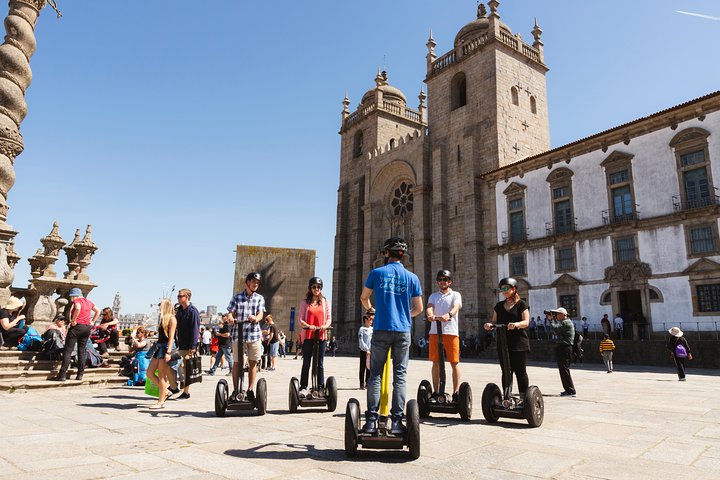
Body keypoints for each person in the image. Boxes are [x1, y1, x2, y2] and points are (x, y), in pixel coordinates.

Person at [360, 237, 423, 435]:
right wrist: (405, 315)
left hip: (381, 329)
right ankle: (396, 422)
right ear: (403, 255)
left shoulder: (376, 273)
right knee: (400, 376)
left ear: (387, 253)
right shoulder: (412, 277)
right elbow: (419, 308)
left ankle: (371, 421)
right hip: (403, 330)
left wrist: (372, 310)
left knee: (375, 375)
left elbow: (364, 298)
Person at [484, 277, 530, 401]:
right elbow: (494, 321)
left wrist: (516, 325)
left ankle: (523, 398)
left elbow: (526, 321)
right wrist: (489, 325)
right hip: (503, 344)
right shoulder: (499, 306)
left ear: (514, 289)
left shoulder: (522, 304)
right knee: (506, 371)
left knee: (520, 371)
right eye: (501, 289)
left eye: (506, 288)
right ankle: (507, 397)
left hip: (519, 343)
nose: (503, 291)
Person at [227, 272, 266, 402]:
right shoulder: (237, 297)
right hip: (238, 334)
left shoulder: (259, 298)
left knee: (252, 363)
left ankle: (250, 390)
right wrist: (231, 318)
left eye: (257, 283)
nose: (255, 284)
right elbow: (230, 313)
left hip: (254, 334)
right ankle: (236, 390)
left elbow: (261, 314)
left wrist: (256, 318)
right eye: (253, 282)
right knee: (237, 363)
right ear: (247, 282)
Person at [426, 269, 463, 401]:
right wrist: (430, 314)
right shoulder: (433, 296)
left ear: (450, 282)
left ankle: (456, 392)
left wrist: (449, 315)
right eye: (440, 279)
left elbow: (456, 306)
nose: (442, 282)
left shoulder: (456, 295)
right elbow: (429, 306)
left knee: (454, 362)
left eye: (445, 280)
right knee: (435, 362)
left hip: (451, 332)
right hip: (435, 332)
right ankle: (436, 392)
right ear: (438, 282)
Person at [51, 288, 100, 381]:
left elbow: (77, 308)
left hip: (77, 327)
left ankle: (62, 375)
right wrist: (92, 321)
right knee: (82, 351)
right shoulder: (88, 301)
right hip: (87, 328)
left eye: (70, 297)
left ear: (74, 295)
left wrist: (74, 320)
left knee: (68, 350)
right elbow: (98, 310)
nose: (70, 299)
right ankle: (80, 374)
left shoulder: (77, 300)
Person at [298, 277, 331, 396]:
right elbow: (300, 319)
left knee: (320, 363)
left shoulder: (325, 302)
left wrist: (325, 326)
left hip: (321, 335)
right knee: (306, 361)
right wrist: (308, 325)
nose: (316, 289)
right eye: (314, 287)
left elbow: (329, 318)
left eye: (318, 287)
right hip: (308, 335)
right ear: (310, 288)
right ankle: (303, 387)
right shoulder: (304, 302)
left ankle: (320, 387)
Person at [146, 299, 177, 409]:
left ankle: (161, 402)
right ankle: (166, 391)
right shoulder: (163, 318)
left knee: (162, 376)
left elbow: (172, 337)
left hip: (165, 349)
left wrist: (168, 352)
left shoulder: (172, 319)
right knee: (149, 373)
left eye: (161, 305)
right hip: (159, 347)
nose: (159, 307)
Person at [174, 288, 200, 399]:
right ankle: (176, 387)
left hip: (188, 345)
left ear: (187, 297)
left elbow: (195, 329)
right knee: (178, 366)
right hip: (180, 343)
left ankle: (186, 392)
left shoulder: (193, 311)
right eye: (178, 296)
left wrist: (193, 346)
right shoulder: (179, 311)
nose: (179, 298)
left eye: (181, 296)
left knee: (185, 368)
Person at [548, 307, 576, 396]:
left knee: (564, 370)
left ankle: (570, 390)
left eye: (558, 314)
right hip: (564, 348)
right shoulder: (564, 322)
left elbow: (555, 329)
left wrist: (551, 320)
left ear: (564, 315)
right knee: (563, 370)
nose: (556, 316)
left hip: (565, 348)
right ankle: (569, 389)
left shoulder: (565, 322)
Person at [358, 311, 373, 389]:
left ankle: (368, 382)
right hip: (364, 351)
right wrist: (366, 349)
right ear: (366, 320)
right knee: (362, 367)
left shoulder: (372, 329)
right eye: (370, 320)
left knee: (369, 367)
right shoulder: (362, 329)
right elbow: (361, 340)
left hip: (371, 351)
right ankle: (361, 383)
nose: (371, 321)